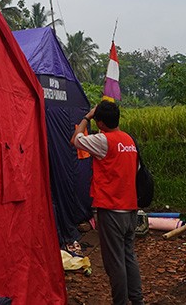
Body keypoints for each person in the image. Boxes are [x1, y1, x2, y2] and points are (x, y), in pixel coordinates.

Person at [70, 100, 144, 305]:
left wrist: (86, 117)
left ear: (100, 123)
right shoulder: (129, 140)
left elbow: (75, 140)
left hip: (112, 210)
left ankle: (120, 302)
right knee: (129, 256)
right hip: (130, 208)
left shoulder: (103, 140)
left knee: (115, 262)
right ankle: (137, 300)